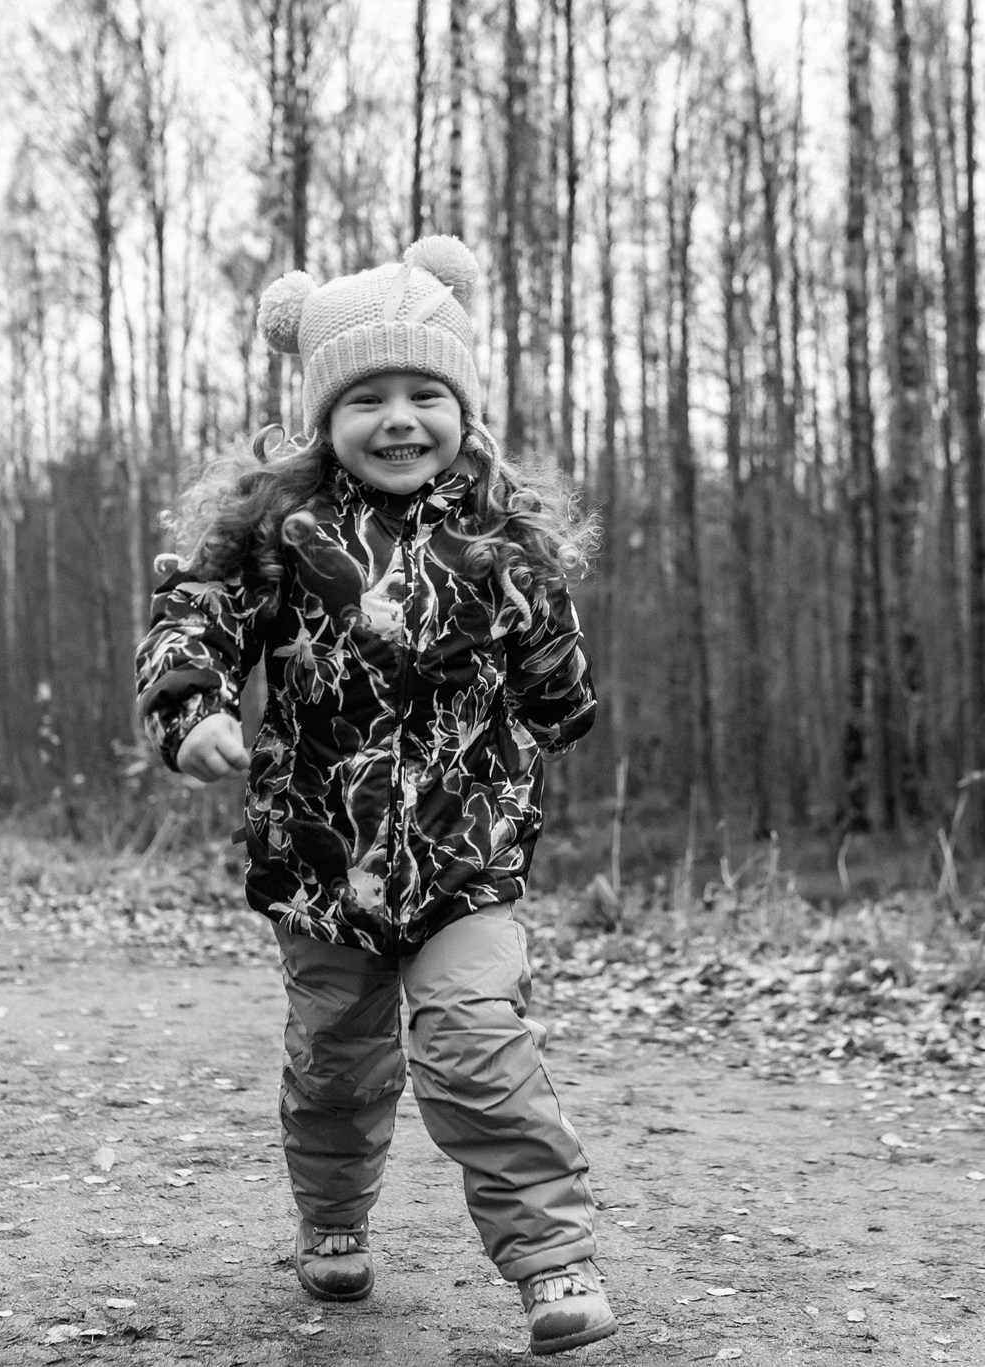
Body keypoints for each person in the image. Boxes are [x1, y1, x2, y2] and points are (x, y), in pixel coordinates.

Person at [135, 237, 614, 1356]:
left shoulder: (505, 543)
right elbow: (188, 622)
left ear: (464, 407)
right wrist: (193, 709)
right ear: (321, 418)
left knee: (472, 1040)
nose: (399, 418)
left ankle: (550, 1257)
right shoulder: (276, 536)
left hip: (466, 858)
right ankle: (335, 1213)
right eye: (367, 398)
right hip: (316, 858)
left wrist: (545, 627)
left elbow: (562, 702)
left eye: (425, 393)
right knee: (336, 1065)